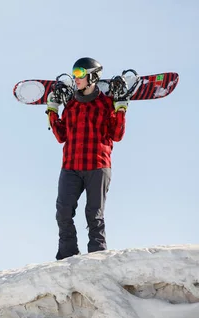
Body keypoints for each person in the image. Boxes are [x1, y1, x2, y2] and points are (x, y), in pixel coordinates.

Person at [45, 57, 128, 260]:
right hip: (71, 166)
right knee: (63, 211)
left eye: (80, 73)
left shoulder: (106, 104)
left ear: (92, 76)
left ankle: (97, 255)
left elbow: (117, 135)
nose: (76, 78)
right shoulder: (71, 104)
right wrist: (52, 111)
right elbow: (61, 136)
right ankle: (67, 254)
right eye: (74, 74)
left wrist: (121, 108)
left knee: (94, 214)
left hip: (97, 165)